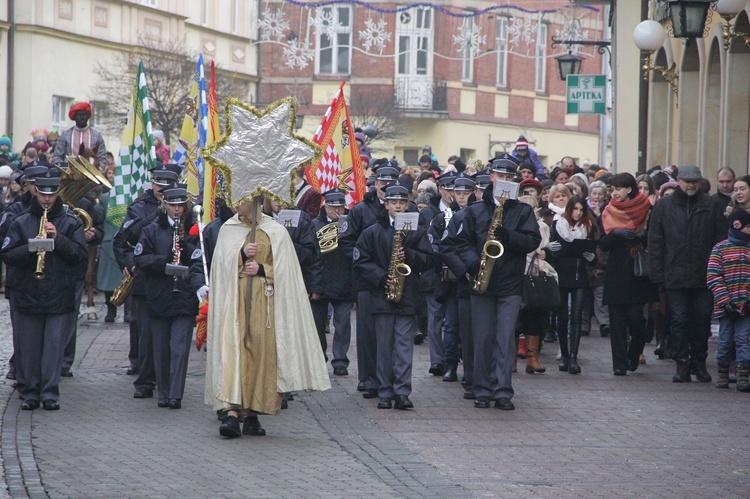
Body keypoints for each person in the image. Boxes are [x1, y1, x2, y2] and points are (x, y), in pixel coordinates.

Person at [205, 196, 330, 438]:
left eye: (239, 203)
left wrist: (262, 269)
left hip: (266, 304)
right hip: (235, 303)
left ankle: (253, 413)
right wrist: (241, 255)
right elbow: (218, 266)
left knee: (261, 354)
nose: (234, 207)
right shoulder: (228, 229)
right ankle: (231, 411)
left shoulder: (276, 231)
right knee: (235, 352)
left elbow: (288, 271)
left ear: (253, 203)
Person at [445, 154, 541, 410]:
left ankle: (503, 391)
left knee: (505, 338)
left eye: (509, 177)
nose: (505, 180)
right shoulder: (475, 211)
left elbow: (533, 241)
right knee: (482, 337)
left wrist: (508, 236)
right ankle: (481, 389)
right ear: (492, 178)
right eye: (500, 176)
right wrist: (473, 263)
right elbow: (460, 243)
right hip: (482, 281)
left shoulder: (521, 211)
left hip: (509, 283)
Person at [0, 168, 87, 410]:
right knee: (28, 348)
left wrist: (57, 239)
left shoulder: (70, 223)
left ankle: (49, 394)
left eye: (51, 194)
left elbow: (80, 257)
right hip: (28, 293)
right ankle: (30, 393)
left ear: (58, 193)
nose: (47, 199)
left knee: (53, 348)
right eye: (42, 194)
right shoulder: (21, 222)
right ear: (35, 192)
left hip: (59, 294)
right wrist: (32, 247)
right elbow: (7, 254)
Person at [353, 183, 434, 410]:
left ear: (407, 204)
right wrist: (381, 278)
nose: (398, 206)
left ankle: (402, 391)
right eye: (393, 202)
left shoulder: (415, 230)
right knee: (384, 346)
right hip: (382, 295)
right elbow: (360, 261)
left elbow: (430, 260)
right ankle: (385, 391)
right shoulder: (372, 231)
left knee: (403, 347)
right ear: (386, 204)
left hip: (407, 295)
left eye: (401, 202)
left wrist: (409, 254)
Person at [648, 165, 727, 383]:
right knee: (679, 320)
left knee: (702, 319)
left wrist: (718, 271)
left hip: (705, 275)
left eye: (695, 181)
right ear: (679, 181)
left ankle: (699, 362)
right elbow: (655, 243)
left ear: (700, 182)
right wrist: (657, 276)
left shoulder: (711, 205)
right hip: (674, 275)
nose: (691, 185)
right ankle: (682, 364)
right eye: (687, 181)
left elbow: (720, 240)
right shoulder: (664, 206)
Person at [114, 163, 180, 387]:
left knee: (170, 335)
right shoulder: (139, 208)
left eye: (167, 187)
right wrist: (129, 264)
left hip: (173, 281)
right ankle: (145, 380)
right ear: (152, 185)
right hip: (145, 280)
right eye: (159, 186)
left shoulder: (183, 207)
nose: (162, 191)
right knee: (145, 332)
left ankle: (167, 379)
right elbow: (123, 239)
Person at [134, 184, 198, 409]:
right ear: (165, 206)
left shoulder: (193, 230)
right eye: (173, 206)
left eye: (181, 205)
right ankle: (163, 391)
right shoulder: (152, 230)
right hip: (159, 296)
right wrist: (164, 261)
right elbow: (141, 260)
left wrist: (187, 250)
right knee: (160, 348)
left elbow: (201, 261)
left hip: (184, 297)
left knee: (179, 348)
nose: (177, 210)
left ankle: (175, 394)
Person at [338, 160, 397, 398]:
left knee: (394, 336)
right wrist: (370, 269)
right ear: (375, 184)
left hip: (396, 280)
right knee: (367, 333)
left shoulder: (406, 208)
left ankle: (390, 379)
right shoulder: (362, 209)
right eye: (382, 182)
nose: (385, 186)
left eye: (390, 181)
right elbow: (346, 243)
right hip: (367, 281)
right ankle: (368, 378)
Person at [598, 173, 657, 375]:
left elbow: (655, 236)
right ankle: (619, 364)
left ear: (629, 189)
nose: (614, 193)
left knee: (637, 320)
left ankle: (634, 353)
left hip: (637, 271)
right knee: (617, 321)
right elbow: (602, 244)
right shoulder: (607, 211)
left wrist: (641, 237)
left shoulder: (648, 209)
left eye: (618, 189)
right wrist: (615, 234)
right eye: (612, 189)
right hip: (616, 271)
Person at [550, 196, 597, 374]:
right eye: (575, 209)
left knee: (576, 316)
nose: (578, 213)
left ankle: (573, 357)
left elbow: (593, 253)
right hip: (562, 276)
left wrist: (592, 258)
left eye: (581, 210)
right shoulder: (558, 225)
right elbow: (554, 252)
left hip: (580, 276)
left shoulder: (588, 227)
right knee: (562, 316)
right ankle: (564, 354)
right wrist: (548, 249)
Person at [310, 188, 353, 376]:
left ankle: (340, 360)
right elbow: (312, 257)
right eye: (332, 207)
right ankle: (320, 357)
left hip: (344, 280)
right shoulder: (315, 224)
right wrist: (314, 285)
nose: (336, 211)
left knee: (343, 322)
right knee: (318, 324)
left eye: (340, 208)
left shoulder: (350, 224)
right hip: (321, 280)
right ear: (325, 206)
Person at [706, 210, 750, 392]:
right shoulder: (720, 248)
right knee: (725, 340)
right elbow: (713, 276)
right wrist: (725, 300)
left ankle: (743, 374)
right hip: (725, 307)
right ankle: (722, 372)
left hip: (746, 306)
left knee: (743, 339)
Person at [52, 101, 108, 167]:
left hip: (91, 173)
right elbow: (57, 156)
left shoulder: (97, 136)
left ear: (88, 116)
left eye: (84, 115)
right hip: (69, 173)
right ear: (74, 117)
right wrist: (65, 169)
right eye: (79, 115)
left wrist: (96, 169)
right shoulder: (65, 135)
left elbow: (102, 158)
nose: (82, 117)